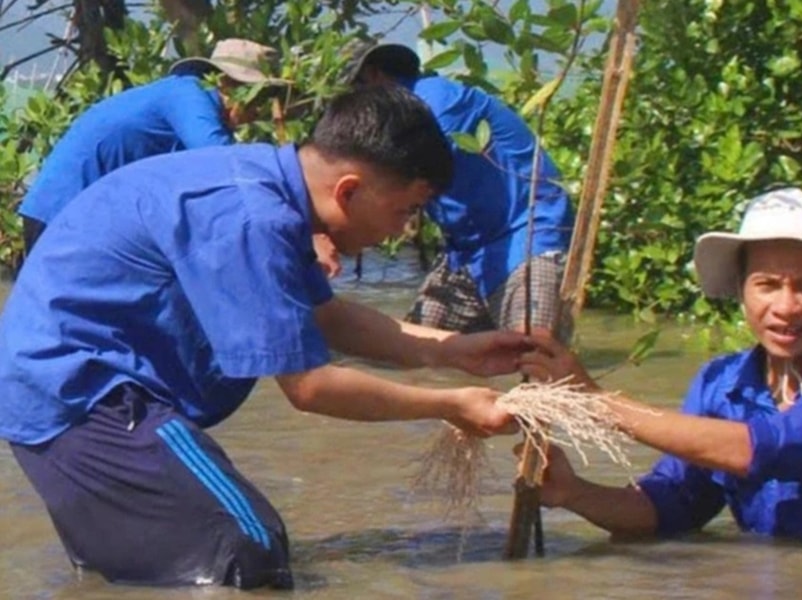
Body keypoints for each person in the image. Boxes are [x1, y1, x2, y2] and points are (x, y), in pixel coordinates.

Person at [0, 86, 527, 589]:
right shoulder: (253, 216)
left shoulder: (266, 188)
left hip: (63, 390)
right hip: (83, 393)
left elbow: (326, 317)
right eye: (406, 210)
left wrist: (451, 350)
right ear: (349, 190)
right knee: (247, 549)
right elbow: (311, 388)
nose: (404, 230)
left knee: (146, 574)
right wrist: (452, 405)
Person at [520, 187, 802, 548]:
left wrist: (597, 403)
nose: (786, 307)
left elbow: (772, 446)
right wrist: (574, 492)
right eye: (767, 285)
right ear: (741, 291)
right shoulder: (721, 383)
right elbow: (672, 505)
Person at [15, 38, 341, 277]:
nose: (257, 112)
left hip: (83, 216)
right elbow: (225, 165)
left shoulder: (189, 105)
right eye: (258, 98)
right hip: (61, 212)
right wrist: (305, 233)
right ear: (228, 83)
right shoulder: (189, 95)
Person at [350, 43, 575, 339]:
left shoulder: (437, 103)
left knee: (534, 350)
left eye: (357, 88)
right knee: (410, 352)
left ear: (374, 75)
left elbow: (394, 176)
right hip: (467, 251)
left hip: (528, 231)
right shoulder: (405, 116)